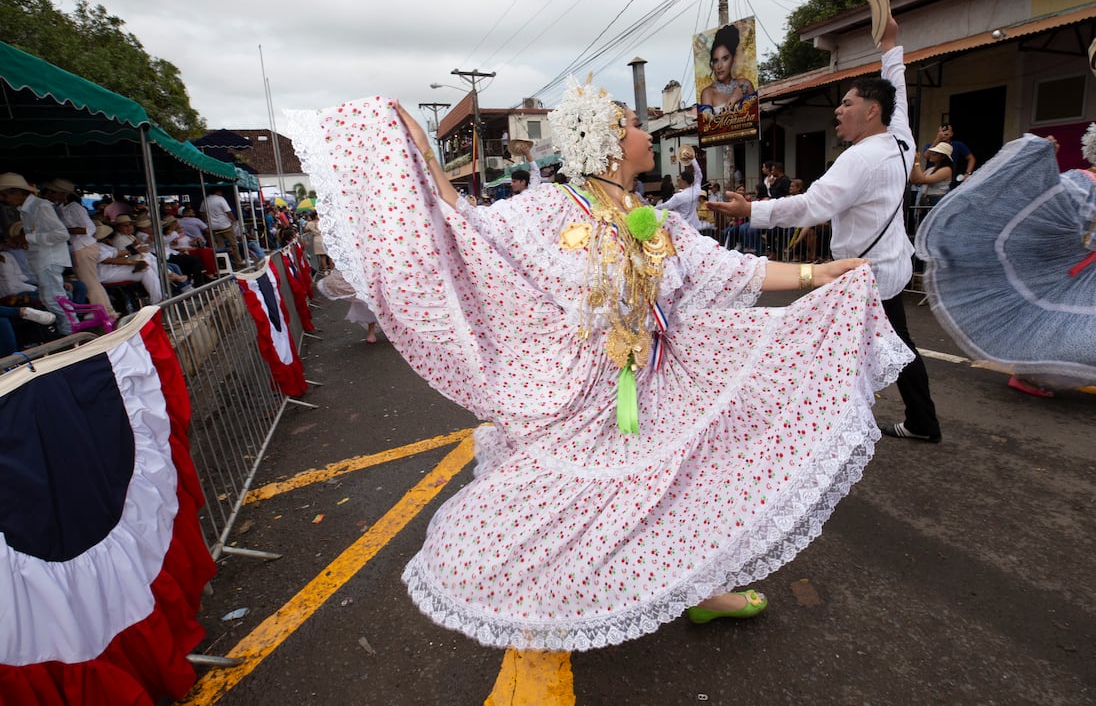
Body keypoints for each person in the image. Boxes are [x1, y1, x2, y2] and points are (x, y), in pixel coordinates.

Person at [287, 77, 911, 652]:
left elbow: (728, 268)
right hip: (587, 393)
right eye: (638, 125)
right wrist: (420, 156)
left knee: (685, 487)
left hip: (666, 379)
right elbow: (467, 225)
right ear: (614, 143)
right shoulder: (550, 208)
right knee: (583, 501)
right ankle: (551, 594)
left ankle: (700, 589)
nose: (648, 134)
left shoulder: (653, 221)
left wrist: (817, 273)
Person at [711, 10, 943, 443]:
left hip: (861, 275)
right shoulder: (901, 139)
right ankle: (914, 422)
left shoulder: (860, 158)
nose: (838, 110)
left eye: (847, 104)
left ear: (872, 111)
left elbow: (811, 206)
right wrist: (890, 47)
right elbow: (900, 97)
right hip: (888, 270)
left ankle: (826, 429)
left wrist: (750, 213)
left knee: (839, 347)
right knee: (886, 348)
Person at [915, 119, 1096, 399]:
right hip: (1071, 267)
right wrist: (1041, 160)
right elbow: (1040, 201)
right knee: (1059, 324)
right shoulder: (1080, 182)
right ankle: (1029, 374)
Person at [0, 173, 71, 334]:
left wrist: (27, 237)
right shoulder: (27, 209)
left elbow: (61, 234)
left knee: (55, 300)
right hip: (42, 260)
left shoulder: (40, 206)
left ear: (16, 192)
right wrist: (24, 240)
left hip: (49, 260)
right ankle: (67, 331)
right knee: (50, 300)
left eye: (5, 195)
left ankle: (70, 333)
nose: (4, 199)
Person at [41, 178, 118, 319]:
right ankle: (106, 310)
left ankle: (103, 313)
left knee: (90, 283)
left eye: (53, 192)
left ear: (61, 193)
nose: (50, 194)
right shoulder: (60, 208)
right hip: (80, 248)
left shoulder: (74, 208)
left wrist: (65, 230)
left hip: (83, 247)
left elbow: (89, 228)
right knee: (92, 282)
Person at [699, 23, 755, 114]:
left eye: (725, 59)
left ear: (733, 58)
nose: (719, 66)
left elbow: (755, 119)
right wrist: (733, 100)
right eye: (716, 60)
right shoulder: (708, 93)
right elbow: (709, 127)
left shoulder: (745, 85)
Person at [201, 188, 245, 267]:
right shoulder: (220, 199)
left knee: (220, 246)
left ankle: (224, 263)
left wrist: (208, 220)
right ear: (217, 191)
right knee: (233, 243)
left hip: (213, 226)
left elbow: (202, 212)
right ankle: (238, 261)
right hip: (225, 225)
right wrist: (234, 221)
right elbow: (228, 212)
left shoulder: (205, 200)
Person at [924, 124, 975, 188]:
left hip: (949, 180)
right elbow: (926, 156)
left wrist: (968, 173)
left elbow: (971, 158)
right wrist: (937, 139)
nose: (944, 134)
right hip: (930, 178)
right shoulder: (930, 145)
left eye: (946, 132)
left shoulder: (957, 145)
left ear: (951, 134)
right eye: (941, 132)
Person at [910, 142, 954, 208]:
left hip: (936, 201)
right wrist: (912, 163)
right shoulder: (930, 169)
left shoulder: (946, 170)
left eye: (934, 153)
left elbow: (921, 180)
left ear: (943, 156)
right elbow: (915, 180)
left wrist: (916, 162)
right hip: (926, 201)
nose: (931, 155)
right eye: (931, 152)